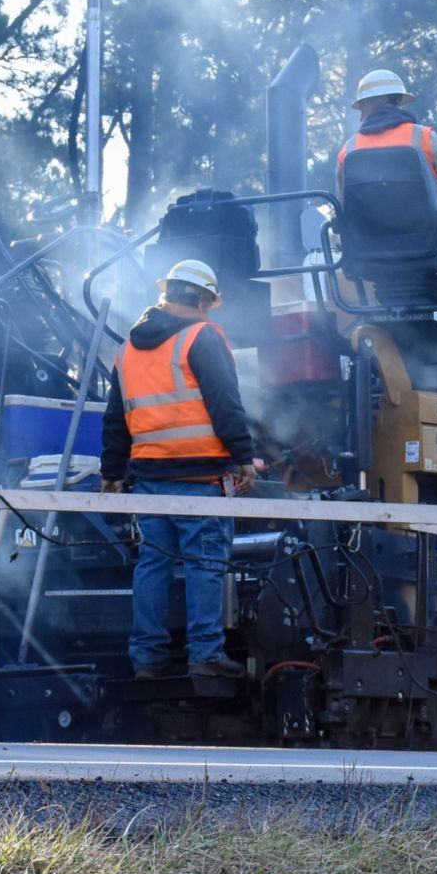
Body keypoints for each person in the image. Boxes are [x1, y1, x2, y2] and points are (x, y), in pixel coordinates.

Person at [99, 260, 262, 679]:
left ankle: (148, 659)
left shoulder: (128, 349)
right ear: (203, 299)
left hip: (149, 480)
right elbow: (225, 404)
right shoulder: (201, 338)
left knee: (152, 564)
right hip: (198, 479)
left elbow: (115, 418)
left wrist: (112, 472)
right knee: (204, 562)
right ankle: (205, 655)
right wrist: (244, 457)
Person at [336, 67, 437, 323]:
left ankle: (376, 324)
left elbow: (344, 208)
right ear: (395, 101)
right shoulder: (425, 138)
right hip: (428, 250)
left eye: (362, 107)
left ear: (373, 103)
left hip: (369, 258)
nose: (361, 114)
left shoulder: (349, 150)